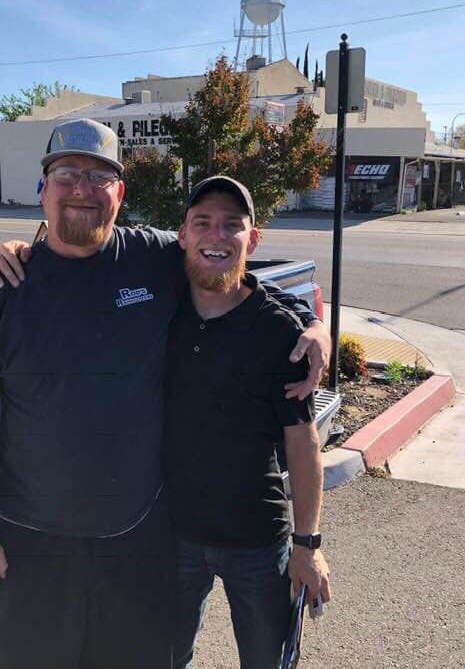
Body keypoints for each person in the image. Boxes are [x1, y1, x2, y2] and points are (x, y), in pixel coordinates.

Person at [0, 118, 329, 668]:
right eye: (68, 174)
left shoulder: (150, 257)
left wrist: (309, 323)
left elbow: (225, 266)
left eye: (100, 178)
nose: (83, 190)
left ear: (119, 194)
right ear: (42, 190)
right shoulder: (2, 291)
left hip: (138, 542)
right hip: (33, 541)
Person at [165, 176, 330, 669]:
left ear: (252, 239)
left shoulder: (282, 332)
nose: (216, 236)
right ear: (183, 235)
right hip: (172, 536)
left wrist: (308, 546)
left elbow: (304, 447)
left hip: (258, 541)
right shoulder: (159, 310)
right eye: (203, 223)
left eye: (232, 225)